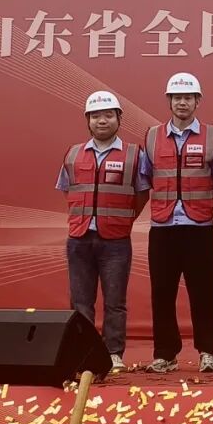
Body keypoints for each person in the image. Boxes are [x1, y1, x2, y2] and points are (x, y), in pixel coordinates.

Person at [56, 91, 149, 372]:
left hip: (116, 241)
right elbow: (67, 190)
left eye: (109, 115)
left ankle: (113, 353)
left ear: (119, 118)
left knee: (115, 302)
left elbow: (141, 194)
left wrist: (120, 220)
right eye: (96, 116)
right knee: (80, 302)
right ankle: (83, 353)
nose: (102, 121)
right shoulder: (73, 154)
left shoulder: (134, 155)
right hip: (79, 239)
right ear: (88, 120)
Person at [141, 72, 213, 373]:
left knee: (204, 292)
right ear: (169, 101)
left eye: (188, 97)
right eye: (176, 97)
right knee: (162, 292)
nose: (182, 102)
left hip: (198, 226)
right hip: (163, 226)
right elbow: (146, 175)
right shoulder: (152, 137)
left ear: (197, 101)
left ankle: (208, 351)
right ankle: (166, 353)